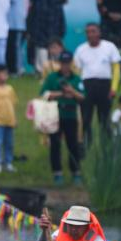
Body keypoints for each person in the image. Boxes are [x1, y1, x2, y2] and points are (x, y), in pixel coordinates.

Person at [73, 23, 121, 147]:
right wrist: (78, 90)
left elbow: (116, 68)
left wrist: (114, 88)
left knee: (104, 119)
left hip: (104, 85)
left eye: (93, 31)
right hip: (87, 85)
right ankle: (85, 146)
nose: (91, 34)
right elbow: (77, 72)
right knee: (85, 118)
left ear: (99, 32)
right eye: (88, 32)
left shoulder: (109, 47)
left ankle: (107, 146)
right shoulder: (81, 49)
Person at [41, 51, 85, 184]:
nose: (65, 66)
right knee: (55, 144)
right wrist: (61, 94)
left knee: (73, 144)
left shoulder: (76, 79)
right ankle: (57, 172)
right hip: (55, 113)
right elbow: (44, 94)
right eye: (63, 63)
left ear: (71, 63)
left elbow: (83, 97)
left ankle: (76, 172)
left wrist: (72, 92)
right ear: (59, 63)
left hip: (71, 114)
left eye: (67, 63)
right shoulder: (52, 77)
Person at [28, 0, 67, 75]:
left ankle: (41, 68)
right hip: (55, 14)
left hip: (39, 14)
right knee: (54, 40)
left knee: (41, 42)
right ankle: (54, 66)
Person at [4, 0, 29, 75]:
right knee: (12, 45)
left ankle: (16, 69)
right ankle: (13, 68)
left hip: (15, 19)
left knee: (15, 45)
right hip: (11, 19)